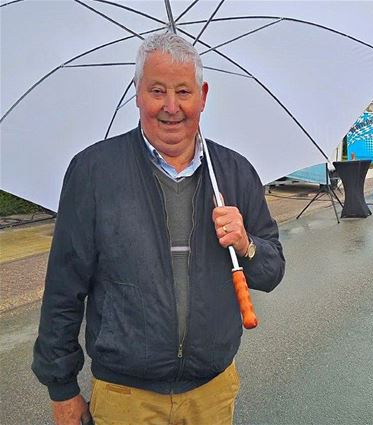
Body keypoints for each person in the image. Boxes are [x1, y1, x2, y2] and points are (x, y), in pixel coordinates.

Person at [32, 32, 285, 425]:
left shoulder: (235, 173)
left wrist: (247, 243)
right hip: (125, 396)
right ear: (137, 92)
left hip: (212, 393)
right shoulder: (94, 172)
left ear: (202, 95)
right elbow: (64, 287)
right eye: (157, 90)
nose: (171, 107)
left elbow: (272, 272)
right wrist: (61, 388)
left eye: (183, 91)